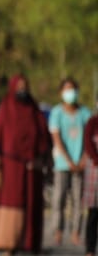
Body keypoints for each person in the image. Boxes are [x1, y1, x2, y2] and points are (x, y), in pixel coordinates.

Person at [0, 75, 51, 256]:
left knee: (32, 202)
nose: (22, 89)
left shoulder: (34, 109)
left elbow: (44, 136)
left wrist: (43, 158)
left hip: (31, 167)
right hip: (11, 166)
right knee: (11, 203)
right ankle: (9, 243)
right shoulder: (6, 109)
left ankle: (30, 243)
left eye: (25, 86)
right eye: (19, 86)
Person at [47, 78, 90, 247]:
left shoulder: (84, 113)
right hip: (62, 163)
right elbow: (56, 139)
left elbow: (90, 138)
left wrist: (83, 160)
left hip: (81, 164)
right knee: (59, 199)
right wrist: (69, 161)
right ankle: (58, 231)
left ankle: (76, 232)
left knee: (78, 200)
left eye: (73, 89)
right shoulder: (56, 113)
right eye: (67, 89)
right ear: (61, 93)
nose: (70, 93)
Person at [81, 99, 98, 256]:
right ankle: (90, 251)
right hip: (95, 171)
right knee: (93, 215)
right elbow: (88, 144)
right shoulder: (92, 122)